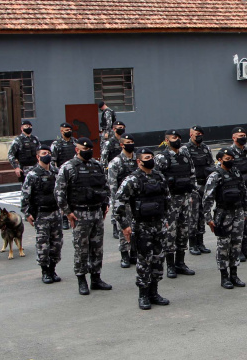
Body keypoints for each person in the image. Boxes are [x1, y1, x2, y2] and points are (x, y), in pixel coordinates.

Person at [55, 137, 111, 295]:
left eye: (90, 149)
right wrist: (67, 212)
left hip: (96, 212)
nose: (88, 152)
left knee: (97, 247)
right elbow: (59, 192)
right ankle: (82, 280)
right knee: (81, 249)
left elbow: (105, 186)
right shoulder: (68, 167)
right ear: (77, 150)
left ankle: (96, 278)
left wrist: (105, 203)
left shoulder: (97, 165)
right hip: (79, 213)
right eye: (84, 149)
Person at [117, 147, 171, 310]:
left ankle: (154, 292)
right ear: (139, 161)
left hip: (159, 225)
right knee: (144, 260)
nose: (151, 160)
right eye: (147, 158)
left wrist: (166, 218)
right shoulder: (132, 180)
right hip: (142, 226)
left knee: (158, 259)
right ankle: (143, 295)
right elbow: (119, 202)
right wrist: (125, 225)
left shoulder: (159, 177)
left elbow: (167, 199)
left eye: (151, 157)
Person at [203, 148, 247, 289]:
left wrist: (245, 211)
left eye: (232, 159)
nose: (230, 161)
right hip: (223, 215)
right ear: (220, 159)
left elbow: (243, 192)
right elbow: (207, 198)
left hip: (238, 213)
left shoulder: (236, 173)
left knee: (236, 244)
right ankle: (224, 276)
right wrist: (208, 218)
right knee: (224, 245)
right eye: (227, 159)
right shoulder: (215, 176)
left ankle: (234, 274)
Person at [155, 130, 196, 279]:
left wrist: (191, 194)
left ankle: (180, 263)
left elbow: (192, 175)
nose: (177, 140)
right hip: (170, 201)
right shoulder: (161, 158)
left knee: (183, 231)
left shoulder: (185, 156)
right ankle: (170, 265)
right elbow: (156, 179)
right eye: (174, 138)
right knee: (170, 233)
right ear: (166, 140)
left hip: (184, 199)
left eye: (178, 137)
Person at [20, 145, 63, 284]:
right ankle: (45, 271)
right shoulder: (33, 174)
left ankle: (53, 269)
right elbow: (25, 196)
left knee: (56, 244)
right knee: (43, 244)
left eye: (49, 153)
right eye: (44, 153)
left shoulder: (56, 172)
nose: (47, 155)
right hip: (41, 214)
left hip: (55, 212)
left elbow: (62, 190)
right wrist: (27, 213)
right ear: (38, 156)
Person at [228, 127, 247, 261]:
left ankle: (245, 246)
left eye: (244, 135)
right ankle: (236, 248)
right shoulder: (228, 153)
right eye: (240, 135)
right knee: (238, 221)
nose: (243, 138)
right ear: (233, 137)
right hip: (236, 192)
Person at [108, 133, 138, 266]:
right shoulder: (116, 162)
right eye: (127, 142)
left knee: (137, 227)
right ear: (122, 145)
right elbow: (112, 185)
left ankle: (134, 252)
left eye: (132, 142)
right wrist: (116, 203)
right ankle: (124, 255)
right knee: (124, 227)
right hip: (123, 200)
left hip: (137, 199)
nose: (130, 144)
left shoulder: (138, 160)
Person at [185, 125, 215, 256]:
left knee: (203, 214)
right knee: (193, 215)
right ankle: (192, 243)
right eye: (197, 134)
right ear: (191, 134)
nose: (199, 136)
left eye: (201, 134)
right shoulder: (185, 149)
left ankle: (200, 242)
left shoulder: (206, 148)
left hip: (204, 185)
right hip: (193, 187)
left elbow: (211, 165)